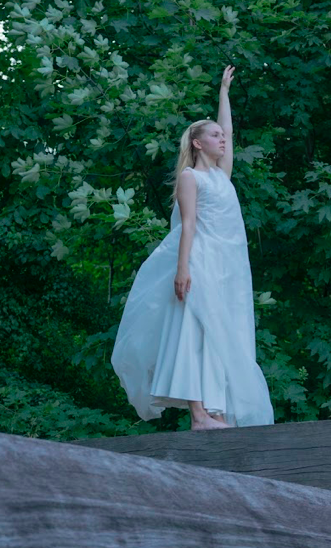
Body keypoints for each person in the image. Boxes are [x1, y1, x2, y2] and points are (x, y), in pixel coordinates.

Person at [111, 65, 275, 430]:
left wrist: (224, 93)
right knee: (193, 330)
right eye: (214, 136)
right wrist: (182, 269)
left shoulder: (221, 175)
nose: (222, 139)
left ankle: (216, 411)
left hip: (226, 269)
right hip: (199, 262)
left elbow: (228, 129)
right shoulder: (191, 177)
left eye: (222, 136)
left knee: (220, 334)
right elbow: (187, 226)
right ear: (198, 143)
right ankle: (198, 414)